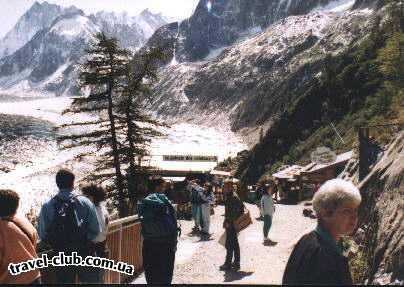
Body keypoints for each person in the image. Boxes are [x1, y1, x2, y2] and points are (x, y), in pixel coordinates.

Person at [282, 179, 361, 285]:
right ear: (326, 213)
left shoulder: (307, 240)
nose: (354, 216)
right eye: (347, 211)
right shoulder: (324, 255)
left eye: (355, 210)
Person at [37, 169, 101, 284]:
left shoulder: (47, 206)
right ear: (73, 183)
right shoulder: (85, 202)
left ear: (57, 184)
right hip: (85, 252)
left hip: (61, 255)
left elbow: (42, 234)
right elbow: (96, 230)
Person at [139, 178, 179, 285]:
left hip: (149, 243)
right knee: (166, 273)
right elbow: (174, 223)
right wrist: (174, 242)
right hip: (167, 243)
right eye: (164, 186)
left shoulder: (145, 202)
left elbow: (142, 221)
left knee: (151, 273)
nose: (165, 189)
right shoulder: (166, 202)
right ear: (158, 187)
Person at [0, 189, 41, 284]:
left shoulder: (1, 229)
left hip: (11, 280)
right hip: (34, 276)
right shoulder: (25, 222)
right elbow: (33, 245)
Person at [82, 184, 110, 283]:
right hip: (102, 248)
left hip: (93, 250)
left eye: (86, 196)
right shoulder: (103, 209)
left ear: (91, 197)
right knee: (99, 279)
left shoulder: (90, 211)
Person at [220, 184, 244, 271]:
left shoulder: (233, 197)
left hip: (232, 225)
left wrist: (228, 222)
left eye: (225, 188)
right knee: (234, 244)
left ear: (230, 188)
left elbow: (233, 213)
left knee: (230, 244)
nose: (223, 189)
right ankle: (235, 263)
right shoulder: (231, 196)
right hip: (232, 224)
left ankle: (228, 264)